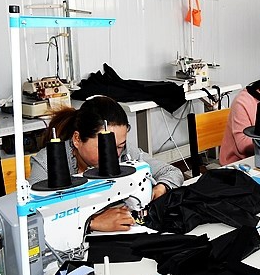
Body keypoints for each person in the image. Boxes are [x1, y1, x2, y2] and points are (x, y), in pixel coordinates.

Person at [29, 95, 184, 232]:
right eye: (105, 147)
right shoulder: (46, 163)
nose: (114, 155)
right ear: (77, 139)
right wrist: (92, 222)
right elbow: (32, 218)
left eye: (120, 146)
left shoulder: (126, 153)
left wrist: (160, 188)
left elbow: (171, 172)